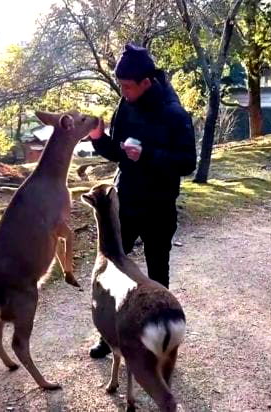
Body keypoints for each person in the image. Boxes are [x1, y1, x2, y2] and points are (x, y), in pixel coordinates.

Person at [86, 43, 197, 358]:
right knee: (113, 271)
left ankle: (157, 335)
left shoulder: (174, 113)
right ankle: (108, 336)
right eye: (120, 85)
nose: (123, 92)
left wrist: (147, 154)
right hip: (128, 202)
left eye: (127, 86)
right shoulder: (126, 105)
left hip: (159, 205)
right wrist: (99, 139)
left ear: (146, 82)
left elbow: (187, 162)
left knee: (156, 273)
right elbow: (119, 153)